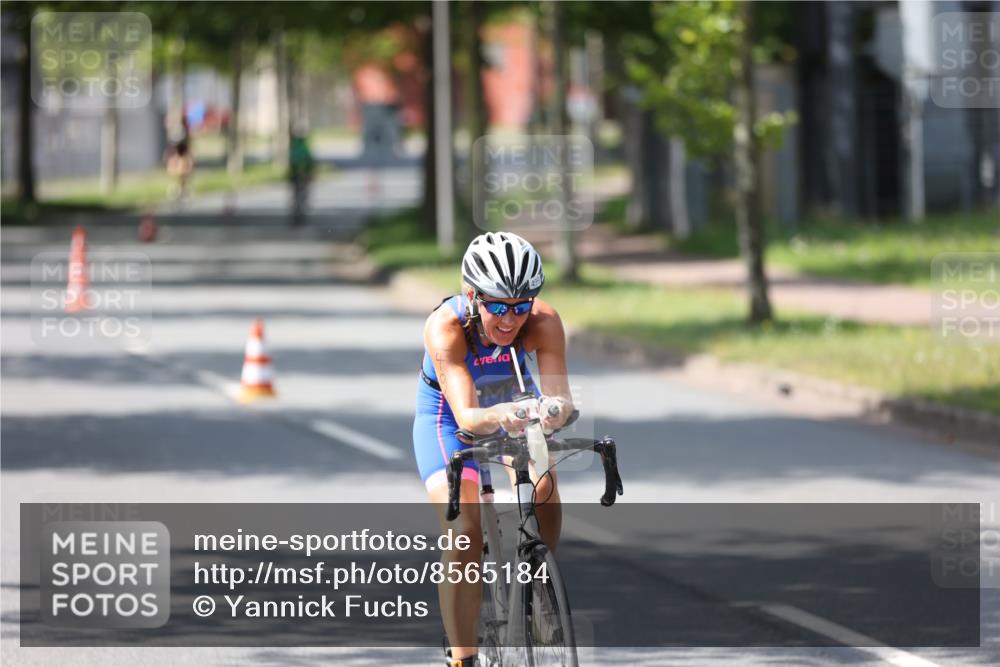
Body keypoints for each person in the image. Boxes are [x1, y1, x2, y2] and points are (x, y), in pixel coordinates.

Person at [413, 232, 575, 667]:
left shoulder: (543, 321)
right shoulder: (445, 327)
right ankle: (463, 657)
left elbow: (559, 399)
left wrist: (554, 410)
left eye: (521, 306)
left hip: (512, 400)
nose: (510, 319)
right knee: (465, 531)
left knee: (544, 483)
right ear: (473, 296)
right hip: (449, 417)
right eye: (498, 307)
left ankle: (540, 584)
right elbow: (468, 416)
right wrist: (505, 414)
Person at [288, 132, 315, 225]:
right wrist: (310, 174)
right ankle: (302, 206)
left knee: (295, 194)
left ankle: (295, 209)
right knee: (303, 192)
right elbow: (310, 162)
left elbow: (291, 163)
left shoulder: (293, 149)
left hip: (295, 175)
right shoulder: (305, 148)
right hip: (304, 174)